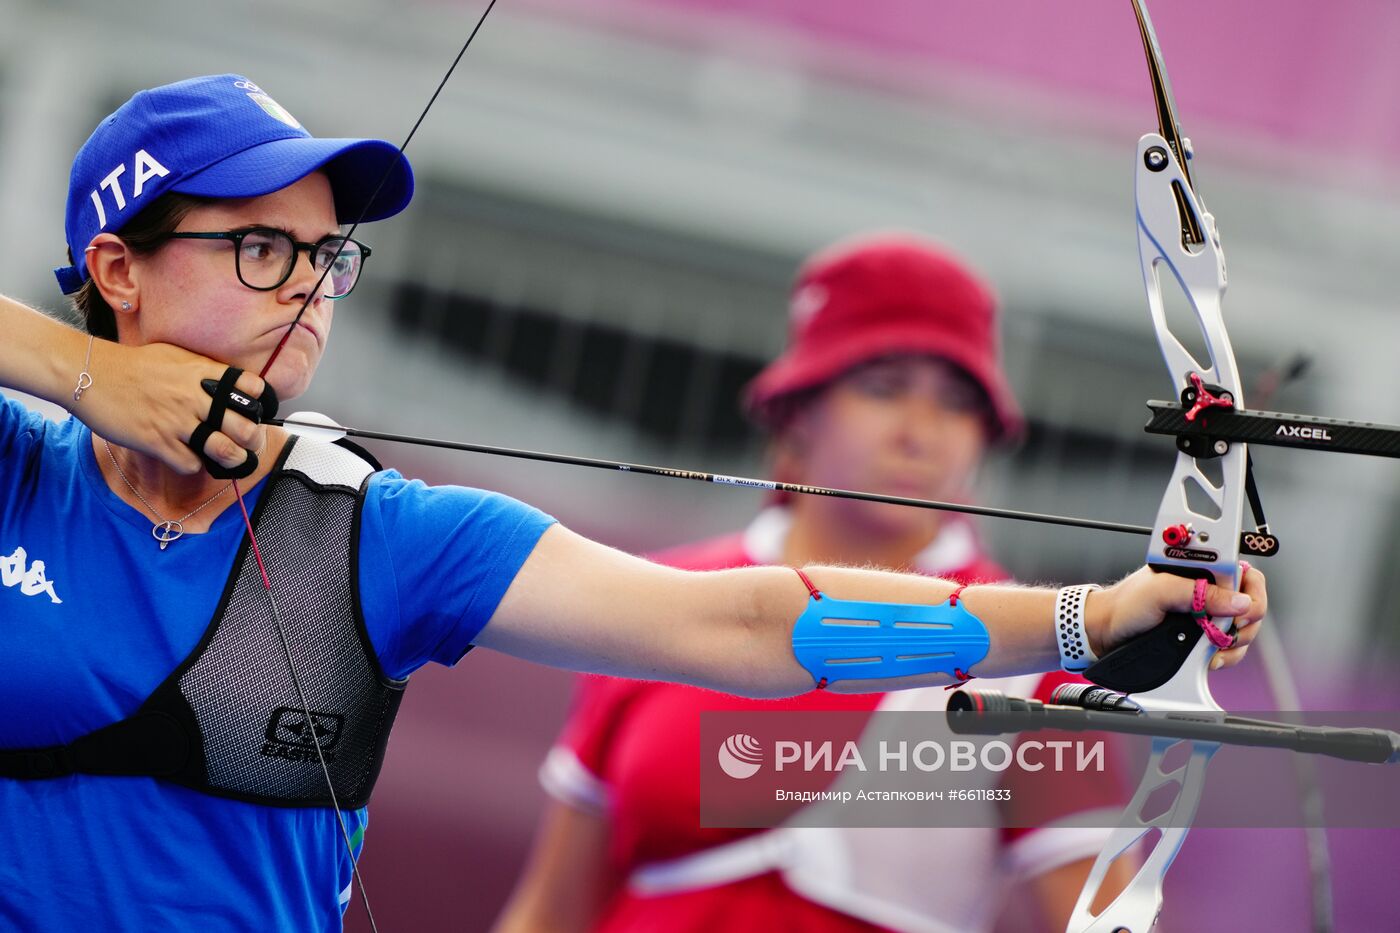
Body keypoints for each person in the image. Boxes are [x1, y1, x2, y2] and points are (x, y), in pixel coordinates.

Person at [0, 75, 1266, 932]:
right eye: (260, 252)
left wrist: (1087, 619)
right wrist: (87, 377)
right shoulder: (20, 466)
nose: (307, 301)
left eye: (326, 261)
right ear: (117, 268)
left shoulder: (376, 537)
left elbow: (743, 628)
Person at [495, 235, 1144, 933]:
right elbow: (548, 912)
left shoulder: (1039, 654)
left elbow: (1111, 924)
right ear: (799, 408)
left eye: (957, 404)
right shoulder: (662, 598)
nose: (920, 433)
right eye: (883, 387)